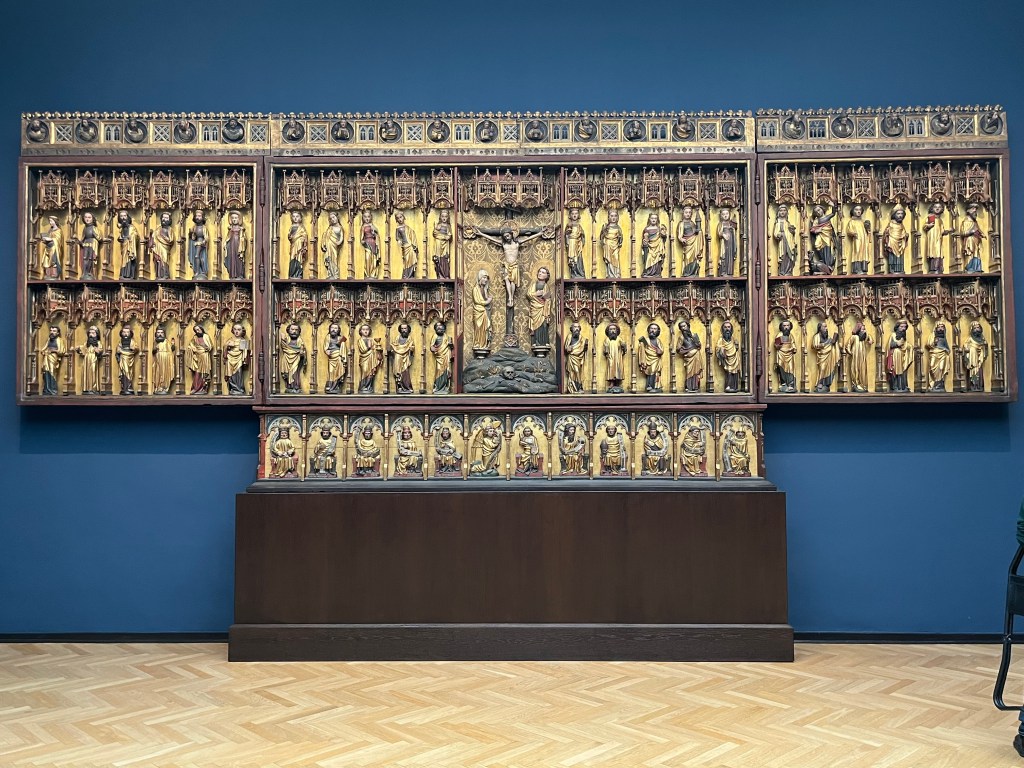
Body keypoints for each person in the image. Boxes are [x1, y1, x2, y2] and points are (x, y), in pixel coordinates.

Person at [922, 202, 953, 274]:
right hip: (932, 238)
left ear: (942, 209)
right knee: (933, 251)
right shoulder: (930, 217)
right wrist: (929, 225)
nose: (937, 208)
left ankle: (938, 267)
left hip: (938, 238)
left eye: (939, 207)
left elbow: (942, 231)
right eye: (935, 207)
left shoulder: (940, 220)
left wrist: (949, 231)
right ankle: (933, 268)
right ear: (932, 209)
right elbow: (925, 227)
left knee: (938, 252)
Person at [844, 321, 873, 393]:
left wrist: (870, 340)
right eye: (863, 329)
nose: (864, 331)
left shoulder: (863, 338)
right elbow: (848, 345)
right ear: (858, 330)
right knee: (855, 369)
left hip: (862, 357)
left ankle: (863, 385)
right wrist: (850, 352)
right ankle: (855, 384)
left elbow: (870, 338)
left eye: (864, 329)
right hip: (855, 357)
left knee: (863, 370)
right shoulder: (854, 337)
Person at [885, 318, 913, 392]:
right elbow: (890, 346)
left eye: (905, 327)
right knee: (895, 371)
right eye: (901, 327)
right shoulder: (893, 335)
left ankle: (902, 387)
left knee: (902, 372)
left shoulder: (903, 337)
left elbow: (905, 345)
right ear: (897, 327)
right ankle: (895, 386)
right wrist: (897, 344)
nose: (903, 329)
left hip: (902, 358)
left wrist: (909, 347)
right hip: (894, 357)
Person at [812, 321, 840, 392]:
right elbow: (814, 345)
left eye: (826, 326)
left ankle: (825, 384)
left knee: (829, 369)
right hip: (822, 356)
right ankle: (819, 383)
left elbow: (832, 344)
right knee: (822, 369)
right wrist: (823, 345)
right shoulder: (817, 336)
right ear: (820, 328)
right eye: (824, 327)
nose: (826, 328)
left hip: (829, 356)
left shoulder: (829, 337)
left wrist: (834, 342)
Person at [808, 205, 837, 275]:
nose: (818, 212)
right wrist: (816, 230)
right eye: (816, 212)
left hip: (827, 235)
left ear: (822, 209)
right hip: (820, 235)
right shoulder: (816, 220)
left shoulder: (827, 217)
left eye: (819, 210)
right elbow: (812, 229)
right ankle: (824, 263)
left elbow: (833, 213)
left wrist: (833, 205)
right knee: (817, 245)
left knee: (828, 248)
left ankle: (828, 264)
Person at [527, 267, 552, 348]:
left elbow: (548, 298)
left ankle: (543, 342)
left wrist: (544, 298)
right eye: (539, 272)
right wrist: (536, 294)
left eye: (543, 272)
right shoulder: (533, 285)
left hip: (543, 309)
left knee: (543, 325)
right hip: (535, 308)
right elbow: (529, 294)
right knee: (535, 325)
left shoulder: (546, 286)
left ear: (547, 276)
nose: (540, 273)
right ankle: (535, 342)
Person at [355, 323, 383, 393]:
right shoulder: (360, 340)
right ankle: (363, 387)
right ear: (360, 331)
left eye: (367, 329)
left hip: (372, 359)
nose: (365, 331)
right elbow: (363, 350)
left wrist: (378, 349)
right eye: (363, 329)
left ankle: (369, 387)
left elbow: (374, 348)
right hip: (364, 359)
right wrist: (369, 347)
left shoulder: (371, 340)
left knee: (371, 373)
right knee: (365, 372)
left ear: (369, 331)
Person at [279, 322, 306, 394]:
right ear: (288, 330)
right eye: (292, 329)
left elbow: (302, 350)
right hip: (287, 359)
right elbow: (284, 347)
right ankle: (289, 387)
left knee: (295, 372)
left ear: (299, 332)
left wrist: (302, 353)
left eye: (296, 330)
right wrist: (282, 340)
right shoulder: (286, 339)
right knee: (287, 374)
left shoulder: (299, 340)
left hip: (296, 358)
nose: (294, 331)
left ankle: (296, 386)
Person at [676, 205, 703, 277]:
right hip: (688, 243)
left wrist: (699, 232)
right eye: (686, 212)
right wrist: (681, 239)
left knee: (694, 258)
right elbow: (679, 235)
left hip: (694, 243)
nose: (688, 214)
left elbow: (695, 232)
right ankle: (687, 272)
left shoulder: (692, 223)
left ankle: (694, 272)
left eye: (689, 212)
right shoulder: (681, 223)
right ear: (683, 213)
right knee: (687, 258)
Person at [186, 324, 213, 394]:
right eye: (196, 330)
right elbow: (190, 345)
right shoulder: (194, 337)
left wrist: (206, 347)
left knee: (203, 373)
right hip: (197, 357)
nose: (197, 331)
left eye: (198, 329)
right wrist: (192, 348)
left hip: (204, 355)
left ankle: (203, 389)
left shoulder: (206, 336)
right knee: (197, 373)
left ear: (201, 329)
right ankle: (196, 388)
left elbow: (210, 346)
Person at [223, 322, 249, 396]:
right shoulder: (230, 340)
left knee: (239, 373)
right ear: (233, 330)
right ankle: (233, 388)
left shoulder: (243, 340)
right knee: (230, 375)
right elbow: (225, 348)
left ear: (242, 331)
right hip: (230, 359)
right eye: (235, 329)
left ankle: (239, 389)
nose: (236, 331)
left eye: (239, 330)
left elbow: (246, 351)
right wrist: (228, 346)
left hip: (239, 359)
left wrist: (245, 352)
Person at [637, 323, 664, 393]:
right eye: (651, 328)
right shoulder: (646, 340)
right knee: (649, 372)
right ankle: (649, 386)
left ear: (657, 331)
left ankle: (655, 387)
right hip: (647, 359)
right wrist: (641, 345)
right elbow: (643, 350)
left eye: (655, 329)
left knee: (654, 372)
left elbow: (661, 350)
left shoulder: (658, 340)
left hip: (656, 359)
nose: (653, 330)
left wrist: (659, 351)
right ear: (648, 330)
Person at [677, 320, 703, 392]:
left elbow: (699, 346)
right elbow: (678, 349)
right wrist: (686, 351)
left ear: (688, 326)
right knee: (689, 371)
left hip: (696, 356)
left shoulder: (694, 335)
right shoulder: (681, 338)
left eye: (684, 326)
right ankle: (688, 387)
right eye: (681, 327)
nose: (683, 328)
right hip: (688, 358)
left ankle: (696, 387)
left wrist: (697, 343)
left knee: (696, 372)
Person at [715, 321, 741, 392]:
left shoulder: (733, 339)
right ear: (722, 329)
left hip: (734, 358)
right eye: (725, 327)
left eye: (729, 327)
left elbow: (736, 348)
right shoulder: (721, 340)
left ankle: (734, 387)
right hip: (726, 359)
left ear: (731, 329)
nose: (727, 329)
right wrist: (722, 350)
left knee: (734, 372)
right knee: (729, 371)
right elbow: (718, 349)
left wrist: (736, 346)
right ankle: (728, 386)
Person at [76, 325, 103, 394]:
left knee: (93, 372)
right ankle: (86, 388)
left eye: (93, 333)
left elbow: (100, 350)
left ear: (97, 334)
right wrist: (78, 348)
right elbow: (83, 349)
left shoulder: (98, 343)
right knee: (86, 373)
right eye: (90, 333)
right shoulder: (87, 343)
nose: (91, 335)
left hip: (93, 358)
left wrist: (98, 350)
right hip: (87, 359)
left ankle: (93, 389)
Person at [882, 206, 909, 274]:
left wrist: (906, 236)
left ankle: (900, 270)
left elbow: (903, 233)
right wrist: (887, 236)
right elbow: (886, 234)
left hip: (900, 244)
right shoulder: (891, 224)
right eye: (898, 214)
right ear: (894, 215)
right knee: (892, 256)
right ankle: (892, 270)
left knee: (900, 257)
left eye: (901, 214)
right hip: (892, 242)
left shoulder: (902, 225)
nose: (900, 215)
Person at [563, 322, 588, 394]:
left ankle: (579, 387)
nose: (577, 329)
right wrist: (568, 348)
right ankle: (573, 388)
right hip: (571, 357)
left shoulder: (582, 338)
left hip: (578, 358)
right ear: (571, 329)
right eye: (575, 327)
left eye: (578, 327)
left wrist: (585, 346)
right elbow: (566, 347)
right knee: (573, 373)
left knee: (578, 372)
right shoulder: (569, 336)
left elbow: (583, 348)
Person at [845, 204, 871, 275]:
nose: (858, 211)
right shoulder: (852, 222)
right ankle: (856, 269)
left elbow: (868, 232)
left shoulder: (863, 222)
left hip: (864, 240)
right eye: (856, 210)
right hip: (857, 240)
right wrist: (853, 233)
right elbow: (849, 231)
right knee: (857, 252)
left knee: (864, 253)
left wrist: (868, 228)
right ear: (852, 211)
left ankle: (864, 269)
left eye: (860, 210)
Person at [323, 323, 347, 394]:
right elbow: (325, 346)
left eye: (335, 328)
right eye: (332, 328)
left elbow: (343, 348)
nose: (333, 330)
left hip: (339, 357)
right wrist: (326, 351)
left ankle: (335, 387)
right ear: (329, 329)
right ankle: (330, 386)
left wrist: (342, 344)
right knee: (331, 372)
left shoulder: (340, 338)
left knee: (338, 372)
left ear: (338, 330)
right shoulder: (328, 337)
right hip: (331, 357)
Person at [40, 326, 66, 395]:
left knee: (52, 373)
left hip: (53, 358)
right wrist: (43, 351)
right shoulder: (49, 339)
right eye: (51, 330)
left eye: (54, 331)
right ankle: (46, 389)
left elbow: (61, 351)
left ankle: (53, 390)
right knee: (46, 372)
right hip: (46, 358)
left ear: (58, 333)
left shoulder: (59, 340)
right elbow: (44, 348)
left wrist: (52, 350)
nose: (52, 332)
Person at [391, 322, 415, 394]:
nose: (404, 330)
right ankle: (399, 387)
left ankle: (407, 387)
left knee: (405, 372)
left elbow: (412, 348)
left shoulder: (410, 339)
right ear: (400, 330)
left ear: (408, 330)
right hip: (398, 357)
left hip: (406, 357)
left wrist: (411, 349)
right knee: (398, 372)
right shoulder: (397, 338)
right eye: (402, 329)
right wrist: (392, 350)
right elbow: (394, 345)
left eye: (405, 328)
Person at [640, 213, 667, 277]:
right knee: (649, 258)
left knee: (658, 258)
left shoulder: (659, 229)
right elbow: (644, 239)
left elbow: (664, 237)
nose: (653, 220)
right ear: (649, 219)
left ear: (657, 219)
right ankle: (648, 272)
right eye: (652, 218)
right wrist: (644, 242)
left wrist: (663, 234)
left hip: (658, 247)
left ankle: (657, 273)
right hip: (649, 247)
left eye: (655, 218)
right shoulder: (646, 229)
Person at [960, 202, 985, 273]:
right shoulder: (966, 221)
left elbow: (978, 229)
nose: (975, 211)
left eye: (976, 210)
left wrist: (982, 234)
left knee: (977, 254)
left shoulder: (975, 222)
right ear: (968, 211)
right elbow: (963, 233)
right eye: (973, 209)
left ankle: (977, 268)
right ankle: (969, 267)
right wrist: (972, 231)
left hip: (976, 241)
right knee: (970, 253)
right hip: (969, 241)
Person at [964, 321, 988, 391]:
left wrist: (984, 347)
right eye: (975, 328)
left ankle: (979, 386)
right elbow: (965, 347)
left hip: (979, 361)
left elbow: (985, 351)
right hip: (972, 361)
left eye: (978, 328)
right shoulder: (970, 339)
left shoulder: (983, 339)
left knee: (979, 372)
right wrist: (969, 349)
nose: (977, 330)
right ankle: (973, 386)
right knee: (973, 372)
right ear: (972, 330)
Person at [471, 269, 492, 351]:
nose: (486, 280)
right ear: (480, 278)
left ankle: (484, 344)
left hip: (484, 312)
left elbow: (486, 298)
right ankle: (477, 344)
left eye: (486, 278)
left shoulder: (484, 289)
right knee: (478, 329)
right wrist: (487, 302)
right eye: (484, 277)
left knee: (485, 329)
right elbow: (477, 301)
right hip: (478, 311)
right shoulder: (475, 289)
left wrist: (486, 293)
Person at [429, 322, 453, 394]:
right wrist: (433, 349)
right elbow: (432, 346)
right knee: (439, 371)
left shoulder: (447, 337)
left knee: (446, 372)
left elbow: (451, 347)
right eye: (438, 328)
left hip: (446, 356)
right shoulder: (435, 336)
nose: (440, 329)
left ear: (444, 329)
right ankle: (438, 387)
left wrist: (451, 345)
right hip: (439, 357)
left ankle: (445, 387)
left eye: (442, 328)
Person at [773, 319, 797, 393]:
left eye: (787, 325)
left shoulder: (791, 336)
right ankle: (783, 383)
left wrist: (794, 349)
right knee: (781, 368)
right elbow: (776, 345)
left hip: (789, 354)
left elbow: (793, 344)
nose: (786, 327)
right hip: (781, 354)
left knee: (791, 369)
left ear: (790, 327)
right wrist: (779, 344)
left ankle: (791, 384)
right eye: (784, 325)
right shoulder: (779, 335)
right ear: (781, 327)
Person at [926, 322, 951, 392]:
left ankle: (939, 384)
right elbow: (928, 344)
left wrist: (946, 350)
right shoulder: (932, 336)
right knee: (932, 366)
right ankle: (933, 384)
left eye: (942, 327)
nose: (940, 329)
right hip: (934, 353)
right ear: (936, 328)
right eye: (939, 327)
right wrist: (934, 342)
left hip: (943, 354)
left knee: (941, 368)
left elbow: (948, 348)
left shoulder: (944, 338)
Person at [149, 212, 174, 279]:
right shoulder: (158, 229)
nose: (164, 219)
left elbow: (171, 240)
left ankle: (165, 275)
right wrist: (151, 237)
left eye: (166, 218)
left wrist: (164, 237)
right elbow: (153, 238)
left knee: (164, 260)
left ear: (169, 220)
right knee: (158, 260)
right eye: (163, 217)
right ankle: (158, 275)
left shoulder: (169, 229)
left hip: (165, 248)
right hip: (157, 248)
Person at [151, 326, 176, 395]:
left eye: (161, 333)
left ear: (164, 334)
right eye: (158, 332)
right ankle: (158, 387)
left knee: (165, 374)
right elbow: (153, 351)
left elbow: (171, 350)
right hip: (158, 361)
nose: (160, 334)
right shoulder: (155, 342)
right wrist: (155, 349)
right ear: (156, 334)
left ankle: (164, 387)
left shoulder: (166, 341)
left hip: (166, 362)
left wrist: (173, 346)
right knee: (158, 373)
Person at [773, 205, 796, 275]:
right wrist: (778, 235)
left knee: (789, 255)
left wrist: (792, 231)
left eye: (784, 210)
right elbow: (775, 232)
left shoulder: (788, 222)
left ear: (786, 212)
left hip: (789, 240)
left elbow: (790, 232)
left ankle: (789, 271)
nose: (782, 212)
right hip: (782, 240)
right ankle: (782, 272)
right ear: (778, 212)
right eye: (781, 211)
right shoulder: (778, 222)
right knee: (783, 255)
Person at [114, 326, 138, 395]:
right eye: (124, 332)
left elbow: (136, 348)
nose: (125, 334)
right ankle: (124, 387)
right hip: (123, 358)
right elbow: (117, 350)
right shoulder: (120, 342)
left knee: (129, 372)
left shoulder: (132, 341)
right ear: (121, 333)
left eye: (127, 332)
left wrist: (133, 348)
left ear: (130, 333)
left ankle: (129, 387)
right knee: (124, 372)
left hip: (129, 358)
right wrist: (118, 351)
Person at [600, 208, 623, 278]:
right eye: (612, 216)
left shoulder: (618, 227)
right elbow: (601, 238)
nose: (613, 218)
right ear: (608, 217)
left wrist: (620, 238)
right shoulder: (606, 227)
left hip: (615, 246)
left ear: (617, 217)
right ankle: (610, 274)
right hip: (608, 246)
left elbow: (621, 239)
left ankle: (616, 274)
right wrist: (604, 232)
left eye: (615, 216)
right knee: (609, 260)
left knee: (616, 258)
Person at [604, 323, 626, 393]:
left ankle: (618, 383)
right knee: (611, 369)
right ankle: (612, 383)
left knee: (618, 369)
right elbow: (605, 350)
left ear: (617, 331)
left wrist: (624, 346)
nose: (612, 331)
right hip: (611, 357)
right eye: (611, 329)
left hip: (618, 357)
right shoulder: (607, 340)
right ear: (608, 331)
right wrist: (606, 350)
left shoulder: (619, 339)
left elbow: (624, 349)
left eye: (614, 329)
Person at [395, 211, 418, 279]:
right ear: (396, 220)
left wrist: (414, 244)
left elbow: (412, 235)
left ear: (404, 217)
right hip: (405, 246)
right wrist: (399, 240)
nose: (400, 219)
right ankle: (406, 274)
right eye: (398, 218)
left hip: (410, 246)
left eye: (401, 217)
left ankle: (411, 275)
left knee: (412, 260)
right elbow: (397, 237)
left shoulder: (408, 228)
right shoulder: (398, 228)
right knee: (406, 260)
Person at [321, 211, 344, 280]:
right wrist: (324, 243)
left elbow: (341, 237)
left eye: (333, 217)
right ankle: (330, 273)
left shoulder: (340, 227)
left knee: (334, 258)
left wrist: (339, 242)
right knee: (329, 258)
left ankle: (335, 273)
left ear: (337, 217)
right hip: (329, 245)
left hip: (334, 245)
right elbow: (325, 236)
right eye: (331, 218)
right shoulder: (330, 228)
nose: (332, 219)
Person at [116, 210, 139, 279]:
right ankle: (123, 274)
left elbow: (136, 236)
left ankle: (129, 275)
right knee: (124, 259)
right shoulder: (121, 228)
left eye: (125, 216)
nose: (123, 218)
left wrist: (131, 237)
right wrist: (120, 238)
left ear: (128, 217)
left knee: (129, 258)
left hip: (130, 246)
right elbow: (121, 236)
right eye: (121, 216)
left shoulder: (131, 227)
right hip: (124, 245)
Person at [224, 211, 247, 279]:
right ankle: (232, 275)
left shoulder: (241, 229)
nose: (234, 219)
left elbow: (244, 238)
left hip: (238, 245)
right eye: (233, 218)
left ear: (239, 219)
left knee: (238, 259)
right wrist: (225, 243)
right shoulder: (230, 229)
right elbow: (228, 237)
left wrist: (242, 240)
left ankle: (240, 274)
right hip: (231, 246)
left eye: (236, 218)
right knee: (232, 258)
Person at [78, 211, 101, 279]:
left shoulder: (94, 228)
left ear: (92, 219)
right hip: (86, 244)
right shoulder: (85, 228)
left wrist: (94, 234)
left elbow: (99, 238)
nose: (87, 219)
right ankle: (84, 273)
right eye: (86, 217)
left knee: (91, 258)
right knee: (85, 258)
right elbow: (83, 238)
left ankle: (90, 273)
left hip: (92, 244)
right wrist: (80, 242)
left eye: (89, 217)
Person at [565, 207, 587, 278]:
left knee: (578, 259)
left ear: (578, 215)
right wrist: (567, 234)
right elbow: (566, 236)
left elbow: (582, 236)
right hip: (571, 244)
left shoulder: (579, 226)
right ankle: (574, 273)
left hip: (577, 245)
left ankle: (580, 273)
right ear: (570, 215)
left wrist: (582, 236)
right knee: (572, 260)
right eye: (573, 214)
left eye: (576, 213)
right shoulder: (568, 225)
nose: (574, 215)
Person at [716, 206, 737, 276]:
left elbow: (734, 231)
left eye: (727, 214)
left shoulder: (731, 223)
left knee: (730, 257)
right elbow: (719, 232)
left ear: (729, 214)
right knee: (724, 256)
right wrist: (723, 234)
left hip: (730, 243)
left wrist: (732, 229)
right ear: (721, 215)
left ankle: (729, 272)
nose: (725, 215)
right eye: (723, 214)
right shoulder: (721, 224)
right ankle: (723, 271)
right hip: (724, 243)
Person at [360, 210, 381, 278]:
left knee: (374, 258)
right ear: (363, 218)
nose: (367, 218)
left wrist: (374, 232)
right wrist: (362, 241)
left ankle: (373, 274)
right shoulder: (363, 226)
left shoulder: (372, 226)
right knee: (367, 258)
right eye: (365, 217)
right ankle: (367, 274)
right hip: (367, 243)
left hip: (373, 243)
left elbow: (376, 234)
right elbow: (361, 237)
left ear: (371, 217)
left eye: (368, 217)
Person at [286, 211, 308, 278]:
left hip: (299, 246)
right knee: (292, 257)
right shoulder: (291, 227)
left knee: (299, 258)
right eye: (294, 216)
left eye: (297, 216)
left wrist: (302, 239)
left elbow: (304, 235)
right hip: (294, 245)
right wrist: (290, 237)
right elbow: (289, 236)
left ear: (300, 218)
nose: (295, 218)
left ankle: (298, 274)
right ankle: (292, 274)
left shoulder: (301, 227)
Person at [188, 210, 209, 279]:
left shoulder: (204, 227)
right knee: (199, 257)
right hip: (196, 244)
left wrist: (203, 242)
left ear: (202, 217)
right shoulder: (194, 227)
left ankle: (197, 272)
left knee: (197, 256)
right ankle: (202, 271)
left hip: (201, 243)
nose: (197, 217)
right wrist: (191, 233)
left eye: (199, 216)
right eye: (196, 216)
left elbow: (206, 237)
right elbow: (193, 238)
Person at [432, 210, 452, 278]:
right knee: (438, 259)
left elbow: (449, 235)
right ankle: (439, 275)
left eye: (446, 216)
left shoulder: (448, 226)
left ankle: (445, 275)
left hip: (445, 245)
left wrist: (447, 237)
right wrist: (444, 237)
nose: (444, 218)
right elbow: (435, 234)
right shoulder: (438, 226)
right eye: (443, 216)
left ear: (448, 217)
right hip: (438, 244)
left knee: (445, 259)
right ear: (440, 217)